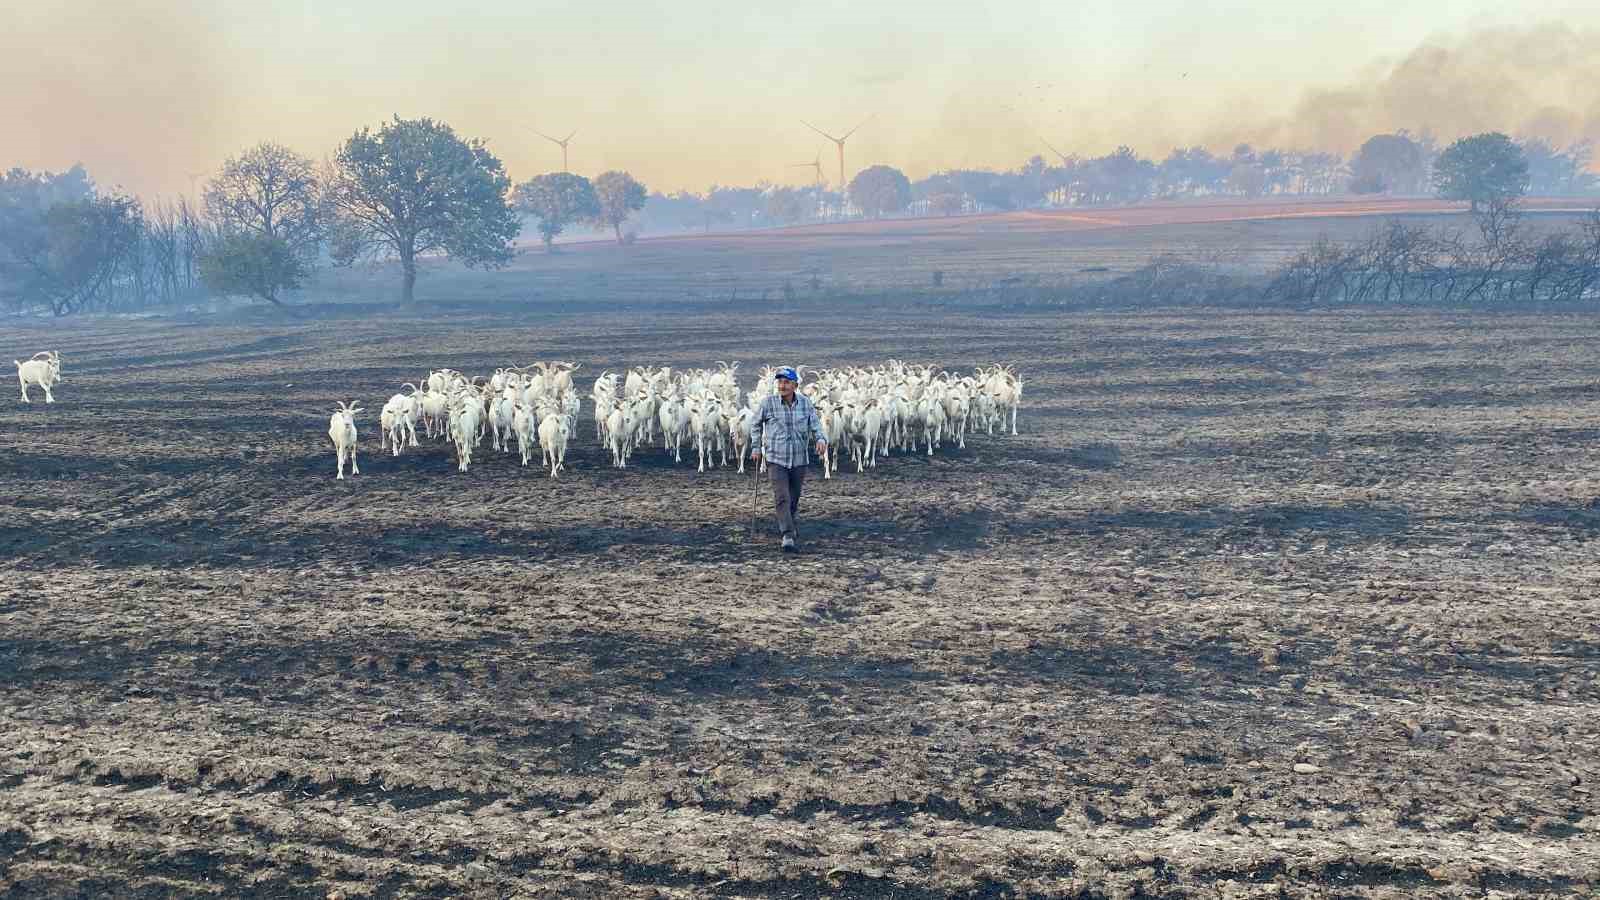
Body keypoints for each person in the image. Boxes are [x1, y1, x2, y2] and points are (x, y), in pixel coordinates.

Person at [748, 366, 827, 553]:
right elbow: (755, 424)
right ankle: (788, 535)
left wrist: (821, 439)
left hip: (799, 459)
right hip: (776, 458)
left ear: (795, 386)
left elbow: (815, 424)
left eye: (786, 382)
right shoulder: (768, 403)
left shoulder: (805, 404)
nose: (782, 386)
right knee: (782, 496)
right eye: (780, 382)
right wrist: (756, 447)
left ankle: (788, 523)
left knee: (793, 497)